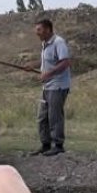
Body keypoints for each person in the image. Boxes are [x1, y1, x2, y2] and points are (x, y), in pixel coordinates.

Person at [33, 18, 72, 157]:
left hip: (58, 85)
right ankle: (45, 145)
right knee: (42, 117)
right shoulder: (44, 44)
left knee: (54, 116)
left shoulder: (58, 42)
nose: (37, 33)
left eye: (39, 29)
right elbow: (49, 64)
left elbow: (65, 62)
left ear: (48, 29)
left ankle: (58, 145)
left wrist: (48, 73)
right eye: (36, 30)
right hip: (47, 86)